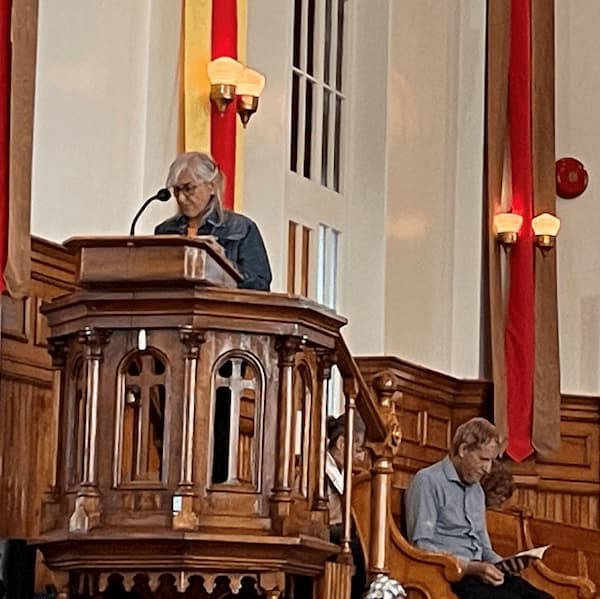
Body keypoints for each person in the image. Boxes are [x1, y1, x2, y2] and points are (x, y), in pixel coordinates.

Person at [404, 417, 553, 599]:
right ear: (463, 450)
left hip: (479, 573)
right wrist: (470, 567)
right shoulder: (428, 481)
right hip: (450, 575)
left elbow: (484, 547)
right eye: (483, 459)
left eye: (491, 461)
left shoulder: (477, 491)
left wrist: (504, 564)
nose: (487, 469)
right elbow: (421, 547)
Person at [155, 151, 272, 291]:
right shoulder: (165, 230)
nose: (181, 198)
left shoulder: (241, 228)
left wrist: (225, 264)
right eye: (176, 190)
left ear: (211, 187)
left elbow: (260, 284)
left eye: (189, 188)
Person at [326, 413, 367, 599]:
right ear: (342, 443)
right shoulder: (315, 472)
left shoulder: (346, 474)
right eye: (358, 450)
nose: (362, 458)